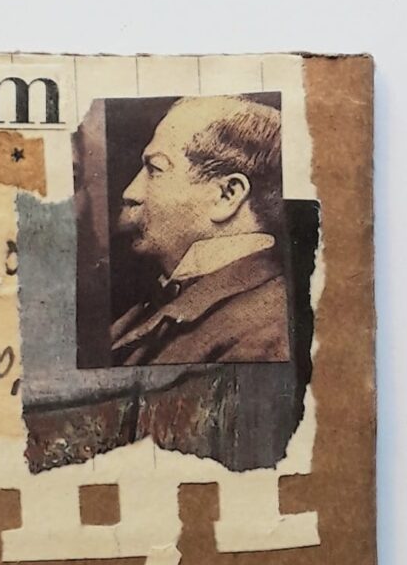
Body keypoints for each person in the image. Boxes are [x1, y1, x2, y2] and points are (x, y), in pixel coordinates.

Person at [111, 95, 291, 365]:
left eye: (155, 169)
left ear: (227, 195)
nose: (130, 193)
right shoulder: (158, 301)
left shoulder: (267, 333)